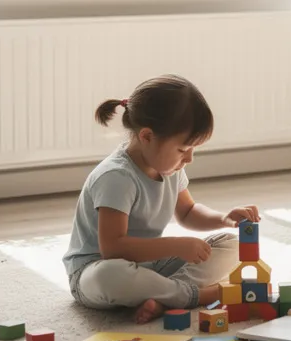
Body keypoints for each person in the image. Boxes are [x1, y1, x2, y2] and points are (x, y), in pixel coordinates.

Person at [62, 74, 259, 322]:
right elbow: (113, 248)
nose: (189, 159)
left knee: (232, 244)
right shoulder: (116, 177)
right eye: (183, 150)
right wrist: (177, 245)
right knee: (110, 276)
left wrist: (224, 219)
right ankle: (192, 296)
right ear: (146, 136)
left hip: (151, 265)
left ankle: (163, 297)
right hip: (96, 270)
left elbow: (187, 212)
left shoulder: (170, 168)